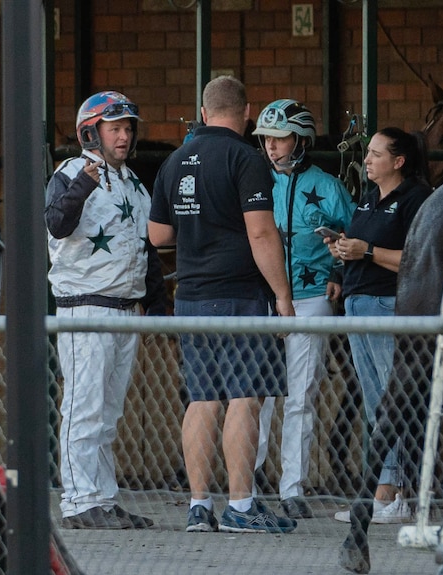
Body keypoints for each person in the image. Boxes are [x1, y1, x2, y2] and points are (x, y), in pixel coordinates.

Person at [148, 75, 298, 534]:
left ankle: (198, 506)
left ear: (205, 112)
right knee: (244, 398)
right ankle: (240, 506)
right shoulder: (245, 158)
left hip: (191, 296)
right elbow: (260, 232)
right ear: (246, 112)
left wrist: (198, 227)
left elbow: (158, 236)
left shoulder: (174, 161)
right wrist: (283, 297)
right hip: (239, 295)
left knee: (202, 399)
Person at [46, 91, 167, 530]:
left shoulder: (134, 183)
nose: (124, 135)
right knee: (84, 406)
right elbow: (56, 222)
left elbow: (147, 247)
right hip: (86, 307)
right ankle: (79, 501)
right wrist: (86, 183)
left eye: (128, 128)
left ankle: (103, 497)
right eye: (115, 128)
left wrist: (157, 303)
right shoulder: (69, 172)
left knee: (109, 412)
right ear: (90, 132)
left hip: (126, 307)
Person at [250, 99, 356, 519]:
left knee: (301, 396)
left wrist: (338, 272)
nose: (272, 148)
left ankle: (291, 487)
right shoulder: (254, 181)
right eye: (267, 139)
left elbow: (352, 236)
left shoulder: (329, 187)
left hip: (312, 299)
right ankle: (251, 478)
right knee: (258, 397)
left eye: (280, 138)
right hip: (264, 299)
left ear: (301, 140)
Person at [327, 127, 433, 525]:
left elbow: (417, 258)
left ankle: (403, 493)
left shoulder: (416, 198)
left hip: (389, 304)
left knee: (395, 400)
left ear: (398, 161)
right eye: (367, 153)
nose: (367, 159)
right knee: (375, 402)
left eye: (374, 153)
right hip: (356, 303)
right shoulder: (369, 199)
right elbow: (358, 246)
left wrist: (366, 251)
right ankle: (384, 492)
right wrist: (341, 252)